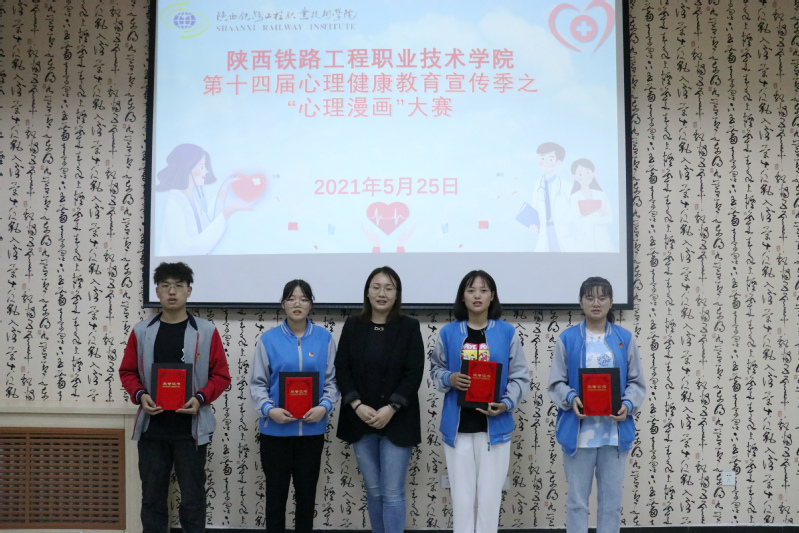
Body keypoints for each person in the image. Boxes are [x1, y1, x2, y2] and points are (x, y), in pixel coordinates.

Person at [118, 262, 231, 533]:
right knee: (152, 498)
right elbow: (127, 371)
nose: (172, 291)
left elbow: (221, 375)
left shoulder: (206, 331)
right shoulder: (142, 331)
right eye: (165, 285)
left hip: (190, 431)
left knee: (192, 500)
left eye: (178, 286)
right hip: (153, 430)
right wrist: (140, 395)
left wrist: (200, 398)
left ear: (189, 291)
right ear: (157, 290)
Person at [429, 270, 530, 533]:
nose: (477, 295)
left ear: (492, 296)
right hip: (458, 429)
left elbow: (520, 376)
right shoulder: (449, 333)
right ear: (462, 296)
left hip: (494, 429)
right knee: (462, 500)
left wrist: (506, 404)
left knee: (489, 500)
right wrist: (450, 378)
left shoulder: (506, 332)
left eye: (483, 290)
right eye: (471, 290)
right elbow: (435, 370)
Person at [547, 276, 646, 533]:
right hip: (579, 435)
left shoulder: (624, 338)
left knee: (611, 505)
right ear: (580, 302)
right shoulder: (567, 339)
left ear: (611, 302)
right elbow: (556, 383)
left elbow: (636, 382)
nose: (596, 303)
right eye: (589, 297)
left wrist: (627, 404)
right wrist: (571, 398)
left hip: (614, 435)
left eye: (602, 297)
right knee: (577, 503)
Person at [335, 266, 425, 533]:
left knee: (392, 491)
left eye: (388, 288)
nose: (382, 293)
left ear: (397, 294)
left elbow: (414, 372)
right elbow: (342, 368)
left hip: (398, 420)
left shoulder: (409, 327)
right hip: (360, 419)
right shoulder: (353, 325)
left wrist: (392, 407)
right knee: (374, 490)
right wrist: (356, 405)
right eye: (376, 287)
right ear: (367, 292)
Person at [249, 280, 339, 533]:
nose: (297, 304)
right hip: (275, 433)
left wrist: (324, 407)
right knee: (275, 499)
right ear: (283, 304)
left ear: (311, 304)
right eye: (291, 298)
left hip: (311, 432)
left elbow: (332, 381)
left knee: (306, 498)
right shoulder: (268, 340)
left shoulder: (324, 339)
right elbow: (257, 383)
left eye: (303, 299)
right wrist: (270, 410)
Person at [156, 143, 250, 256]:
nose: (206, 171)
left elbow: (205, 225)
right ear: (187, 168)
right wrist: (227, 212)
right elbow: (186, 249)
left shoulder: (189, 198)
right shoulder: (175, 204)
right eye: (201, 167)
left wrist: (225, 186)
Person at [528, 142, 572, 252]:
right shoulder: (538, 183)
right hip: (543, 229)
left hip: (561, 229)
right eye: (542, 158)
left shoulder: (566, 186)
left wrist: (565, 223)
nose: (545, 163)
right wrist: (532, 224)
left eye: (550, 159)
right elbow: (534, 207)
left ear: (558, 162)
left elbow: (574, 209)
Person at [567, 159, 614, 252]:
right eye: (580, 174)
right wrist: (597, 215)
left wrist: (585, 218)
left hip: (603, 243)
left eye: (588, 172)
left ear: (592, 174)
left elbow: (609, 218)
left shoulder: (601, 195)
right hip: (583, 244)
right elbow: (577, 223)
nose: (585, 176)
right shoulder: (574, 197)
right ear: (575, 177)